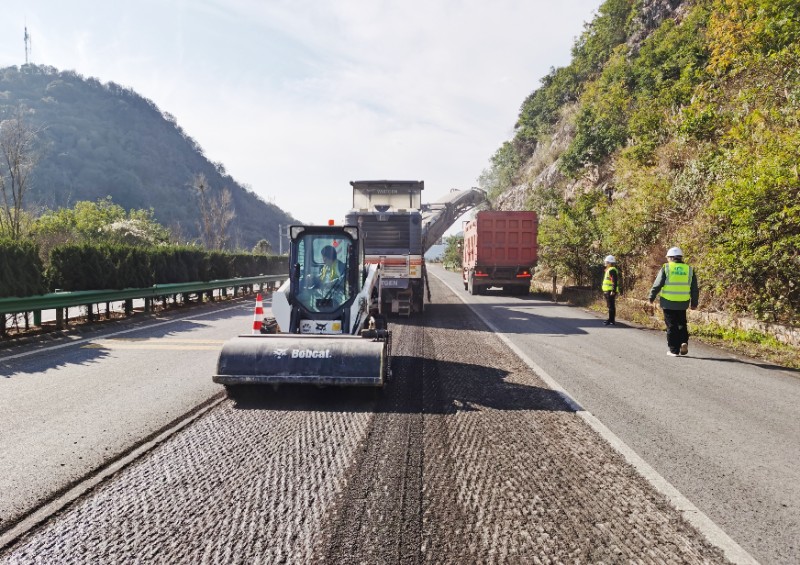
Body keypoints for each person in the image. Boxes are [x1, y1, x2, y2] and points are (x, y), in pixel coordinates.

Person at [648, 247, 699, 357]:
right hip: (683, 302)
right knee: (681, 324)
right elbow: (694, 288)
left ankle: (674, 350)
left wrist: (651, 296)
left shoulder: (666, 268)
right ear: (680, 258)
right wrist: (694, 303)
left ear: (671, 258)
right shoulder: (689, 269)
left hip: (668, 302)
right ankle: (683, 342)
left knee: (671, 326)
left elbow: (658, 284)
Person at [601, 255, 620, 325]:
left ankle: (611, 320)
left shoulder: (612, 270)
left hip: (610, 291)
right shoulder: (609, 270)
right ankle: (611, 319)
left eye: (606, 262)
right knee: (610, 306)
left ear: (610, 263)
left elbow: (614, 281)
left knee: (611, 306)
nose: (605, 263)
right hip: (608, 290)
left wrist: (613, 290)